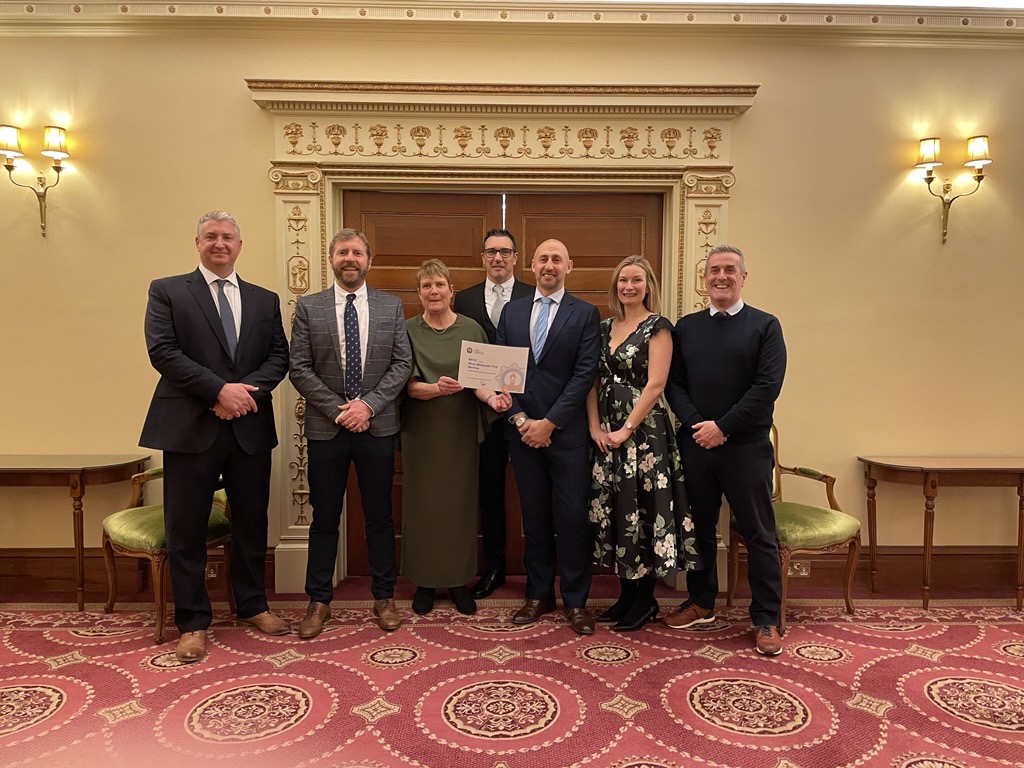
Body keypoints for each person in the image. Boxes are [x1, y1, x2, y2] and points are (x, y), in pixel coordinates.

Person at [140, 210, 290, 663]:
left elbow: (278, 357)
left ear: (240, 245)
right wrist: (217, 390)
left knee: (251, 521)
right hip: (190, 425)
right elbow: (162, 351)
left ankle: (252, 606)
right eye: (211, 237)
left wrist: (242, 395)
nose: (219, 243)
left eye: (227, 237)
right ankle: (192, 621)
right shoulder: (167, 290)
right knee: (185, 526)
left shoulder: (265, 300)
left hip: (248, 427)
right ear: (197, 242)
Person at [663, 244, 787, 656]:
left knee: (758, 533)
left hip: (746, 447)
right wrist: (700, 425)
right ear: (704, 278)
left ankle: (766, 618)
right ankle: (701, 603)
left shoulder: (765, 326)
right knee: (697, 528)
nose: (721, 276)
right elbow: (673, 384)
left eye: (730, 270)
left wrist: (724, 427)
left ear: (743, 277)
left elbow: (766, 388)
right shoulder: (687, 327)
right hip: (696, 443)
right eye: (714, 270)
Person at [289, 228, 412, 636]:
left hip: (377, 428)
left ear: (368, 260)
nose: (350, 258)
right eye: (343, 252)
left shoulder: (390, 306)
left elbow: (401, 364)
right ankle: (318, 601)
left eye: (357, 252)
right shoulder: (309, 307)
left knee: (379, 516)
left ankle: (384, 597)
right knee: (324, 518)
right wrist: (340, 410)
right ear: (331, 259)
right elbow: (299, 367)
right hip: (329, 428)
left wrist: (368, 406)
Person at [587, 256, 700, 631]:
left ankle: (645, 600)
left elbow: (656, 384)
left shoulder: (658, 327)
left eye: (636, 280)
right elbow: (593, 381)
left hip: (644, 435)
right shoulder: (603, 327)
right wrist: (595, 427)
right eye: (623, 280)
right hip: (606, 433)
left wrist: (625, 428)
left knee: (644, 509)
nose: (629, 287)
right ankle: (625, 595)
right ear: (615, 286)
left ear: (648, 285)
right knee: (619, 510)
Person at [496, 238, 601, 635]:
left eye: (557, 258)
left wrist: (549, 423)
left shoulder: (585, 314)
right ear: (532, 265)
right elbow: (502, 372)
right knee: (534, 518)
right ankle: (539, 595)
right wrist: (522, 420)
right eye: (543, 258)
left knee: (572, 518)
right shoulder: (512, 311)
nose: (549, 265)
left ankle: (576, 601)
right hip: (522, 434)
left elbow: (584, 374)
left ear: (568, 266)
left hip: (567, 436)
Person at [402, 259, 513, 615]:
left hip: (462, 429)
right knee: (423, 507)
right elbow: (404, 387)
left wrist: (494, 397)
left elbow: (482, 382)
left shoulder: (472, 328)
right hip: (422, 430)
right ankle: (423, 582)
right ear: (418, 293)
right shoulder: (406, 331)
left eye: (439, 285)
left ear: (452, 290)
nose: (433, 291)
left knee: (460, 506)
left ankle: (457, 582)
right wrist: (435, 388)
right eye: (426, 286)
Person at [453, 228, 534, 598]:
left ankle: (537, 569)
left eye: (504, 252)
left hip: (528, 412)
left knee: (533, 492)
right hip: (480, 411)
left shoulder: (534, 296)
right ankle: (494, 565)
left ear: (516, 257)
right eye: (490, 252)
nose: (497, 258)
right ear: (482, 257)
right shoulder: (464, 298)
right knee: (487, 491)